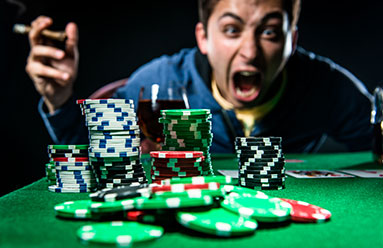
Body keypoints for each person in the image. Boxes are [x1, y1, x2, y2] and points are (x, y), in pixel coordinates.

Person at [25, 0, 373, 153]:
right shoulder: (160, 82)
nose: (250, 52)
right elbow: (89, 153)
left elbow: (376, 142)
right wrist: (60, 99)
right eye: (232, 30)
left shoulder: (325, 84)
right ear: (203, 37)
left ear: (291, 41)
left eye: (269, 33)